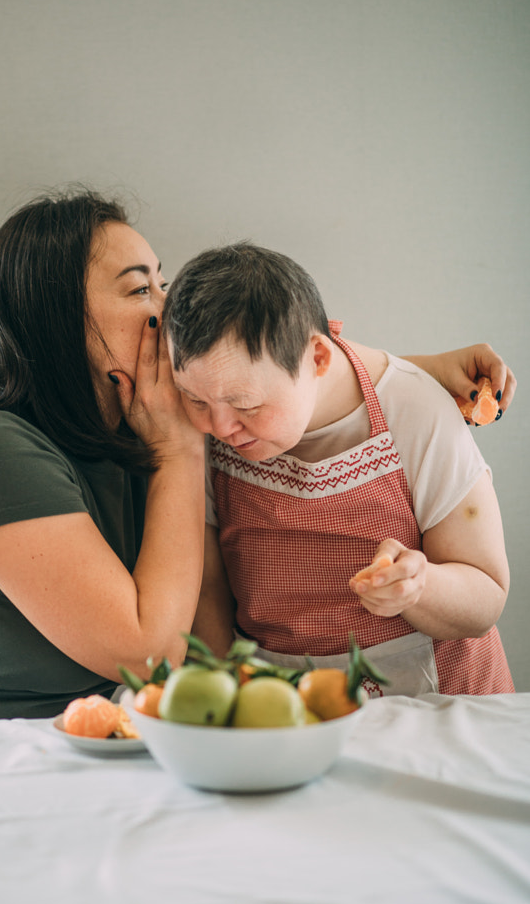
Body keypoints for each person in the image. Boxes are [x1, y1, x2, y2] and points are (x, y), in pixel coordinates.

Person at [0, 192, 516, 726]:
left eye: (163, 286)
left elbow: (275, 352)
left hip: (51, 729)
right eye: (140, 291)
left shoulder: (129, 419)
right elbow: (149, 653)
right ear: (57, 317)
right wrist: (177, 448)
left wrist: (408, 373)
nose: (167, 313)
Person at [163, 242, 514, 696]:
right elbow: (207, 587)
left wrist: (419, 587)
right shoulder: (207, 428)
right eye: (195, 401)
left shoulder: (415, 410)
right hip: (279, 703)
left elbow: (486, 596)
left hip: (435, 703)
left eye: (246, 405)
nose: (220, 426)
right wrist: (224, 695)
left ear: (318, 358)